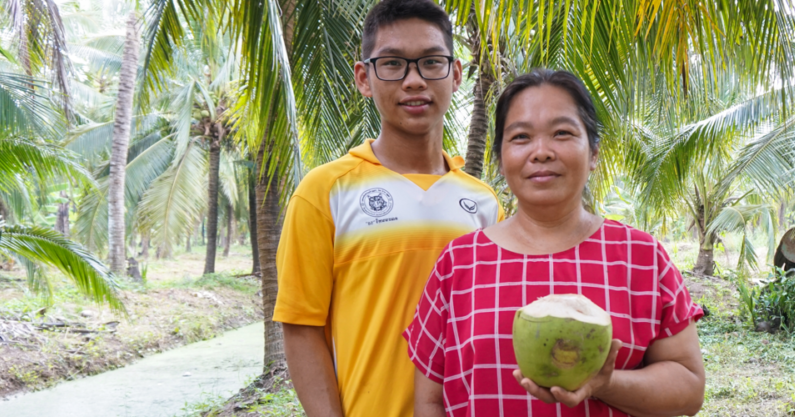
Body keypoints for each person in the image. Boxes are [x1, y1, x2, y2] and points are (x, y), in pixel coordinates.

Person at [403, 69, 706, 417]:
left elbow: (688, 388)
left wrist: (604, 384)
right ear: (500, 159)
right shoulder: (459, 262)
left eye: (562, 133)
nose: (541, 152)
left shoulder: (641, 258)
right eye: (520, 137)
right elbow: (430, 401)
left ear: (594, 154)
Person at [273, 1, 501, 416]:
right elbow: (301, 327)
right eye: (393, 64)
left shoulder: (484, 202)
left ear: (455, 74)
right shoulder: (324, 191)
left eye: (431, 62)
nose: (414, 81)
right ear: (364, 78)